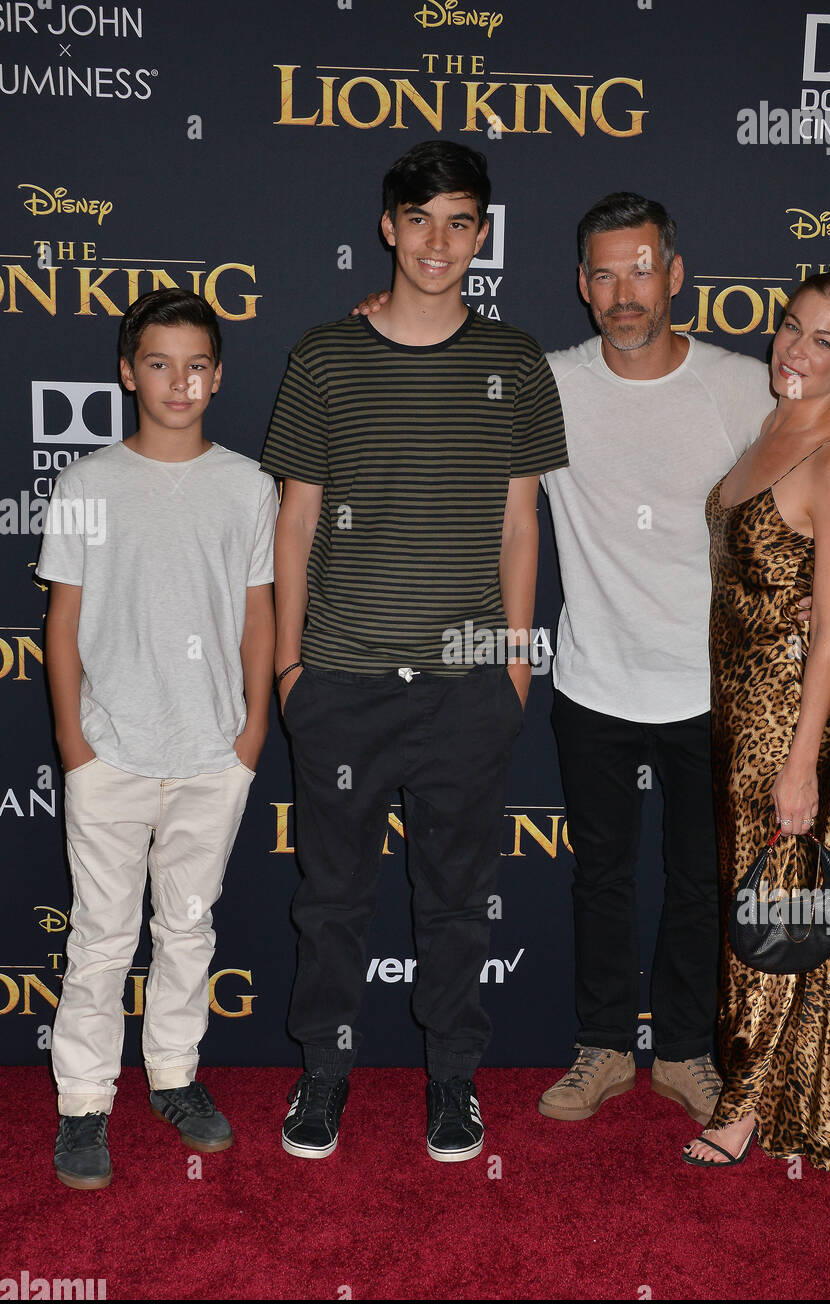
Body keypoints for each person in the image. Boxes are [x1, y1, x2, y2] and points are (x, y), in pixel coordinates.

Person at [353, 192, 776, 1128]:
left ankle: (684, 1054)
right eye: (601, 273)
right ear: (580, 286)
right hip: (592, 684)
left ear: (673, 275)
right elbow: (443, 384)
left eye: (638, 269)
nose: (621, 291)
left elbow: (827, 463)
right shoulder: (546, 381)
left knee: (699, 883)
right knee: (600, 876)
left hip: (710, 692)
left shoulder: (744, 388)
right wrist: (378, 328)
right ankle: (599, 1049)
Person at [262, 141, 568, 1164]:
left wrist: (516, 665)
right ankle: (324, 1076)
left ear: (482, 236)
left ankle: (452, 1085)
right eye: (422, 219)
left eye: (462, 222)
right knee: (331, 898)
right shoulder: (324, 356)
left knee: (454, 902)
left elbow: (522, 526)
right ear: (387, 226)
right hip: (339, 681)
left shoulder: (515, 363)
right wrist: (290, 670)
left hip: (467, 688)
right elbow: (293, 521)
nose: (440, 241)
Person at [38, 288, 277, 1190]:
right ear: (128, 370)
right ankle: (82, 1105)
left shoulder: (248, 486)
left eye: (196, 365)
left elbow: (259, 616)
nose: (179, 383)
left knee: (187, 930)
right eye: (158, 363)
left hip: (213, 753)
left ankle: (174, 1077)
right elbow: (63, 623)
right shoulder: (88, 484)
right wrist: (75, 744)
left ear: (217, 374)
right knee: (100, 939)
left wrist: (250, 732)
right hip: (110, 753)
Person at [683, 271, 830, 1170]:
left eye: (824, 341)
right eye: (791, 328)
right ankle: (815, 1091)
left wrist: (800, 762)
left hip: (786, 712)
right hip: (736, 704)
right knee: (785, 895)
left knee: (770, 901)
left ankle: (741, 1105)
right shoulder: (775, 422)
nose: (795, 349)